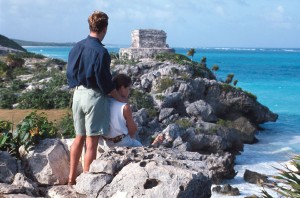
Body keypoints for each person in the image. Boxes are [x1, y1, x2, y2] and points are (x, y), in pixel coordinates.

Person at [66, 11, 124, 185]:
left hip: (77, 94)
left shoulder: (77, 46)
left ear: (90, 25)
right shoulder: (101, 52)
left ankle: (70, 178)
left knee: (79, 137)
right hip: (93, 97)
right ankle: (85, 181)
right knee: (91, 143)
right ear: (105, 28)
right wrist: (119, 98)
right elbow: (105, 82)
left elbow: (70, 72)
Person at [99, 74, 142, 151]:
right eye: (128, 89)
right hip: (122, 143)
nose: (128, 92)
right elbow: (132, 130)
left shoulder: (104, 101)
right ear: (122, 88)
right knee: (142, 148)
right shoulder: (124, 107)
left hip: (106, 143)